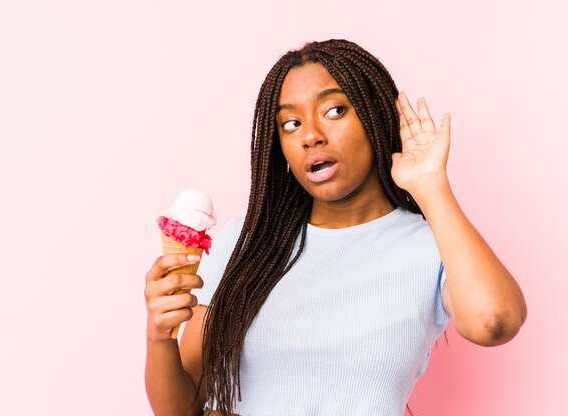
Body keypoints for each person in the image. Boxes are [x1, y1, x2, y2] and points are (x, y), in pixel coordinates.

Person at [144, 39, 527, 416]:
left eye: (334, 110)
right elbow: (182, 409)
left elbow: (494, 322)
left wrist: (431, 186)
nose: (310, 135)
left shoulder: (433, 247)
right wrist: (159, 334)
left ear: (374, 116)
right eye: (291, 123)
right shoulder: (243, 243)